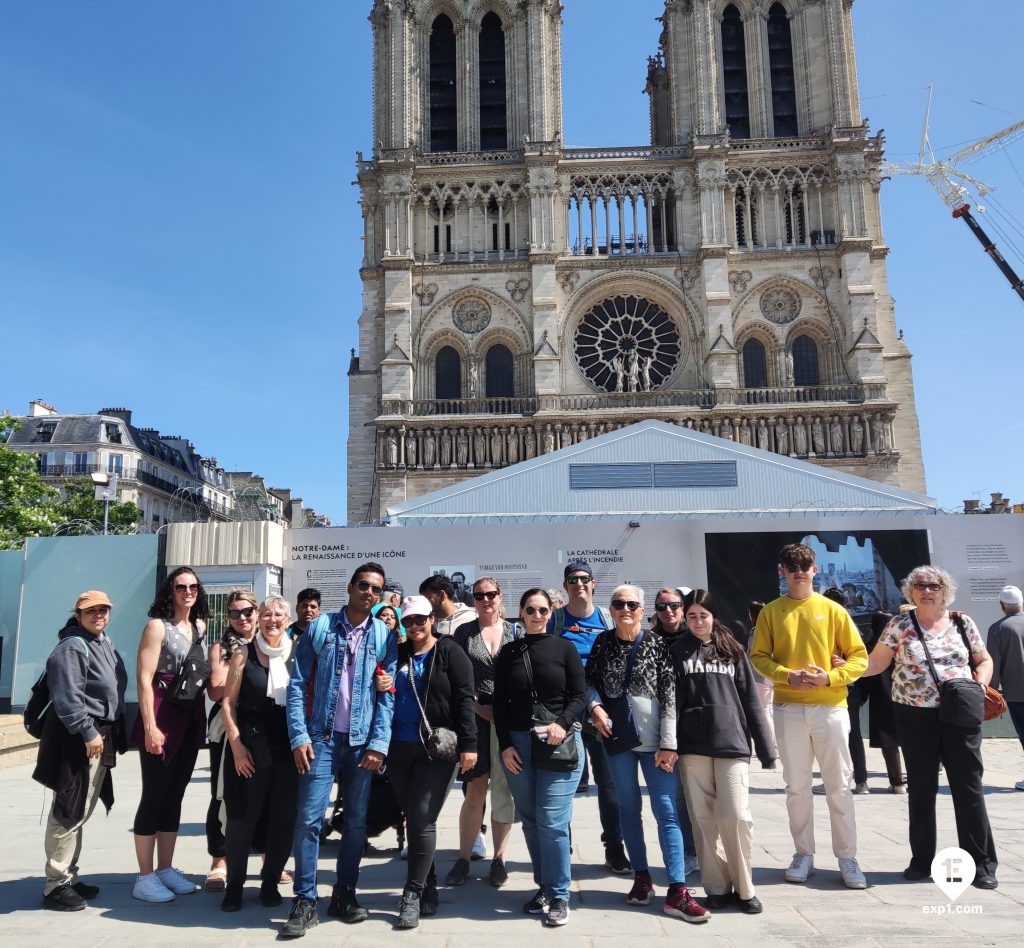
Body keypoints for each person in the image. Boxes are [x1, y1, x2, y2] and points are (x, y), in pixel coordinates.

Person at [862, 565, 998, 889]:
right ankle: (921, 860)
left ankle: (981, 864)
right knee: (921, 789)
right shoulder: (899, 625)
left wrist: (979, 685)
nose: (926, 591)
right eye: (920, 585)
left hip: (959, 716)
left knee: (968, 788)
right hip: (914, 716)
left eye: (933, 586)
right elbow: (877, 662)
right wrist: (844, 670)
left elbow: (984, 659)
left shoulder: (962, 622)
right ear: (911, 591)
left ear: (944, 590)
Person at [281, 562, 397, 938]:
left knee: (356, 822)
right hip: (321, 738)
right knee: (309, 819)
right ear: (349, 587)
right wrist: (299, 736)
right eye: (363, 585)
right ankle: (305, 900)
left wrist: (379, 743)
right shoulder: (320, 627)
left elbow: (387, 696)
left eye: (376, 589)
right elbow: (297, 684)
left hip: (362, 743)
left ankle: (344, 893)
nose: (369, 593)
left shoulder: (383, 635)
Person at [750, 543, 868, 889]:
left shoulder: (833, 611)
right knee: (797, 787)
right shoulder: (771, 612)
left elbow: (859, 657)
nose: (799, 571)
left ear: (815, 569)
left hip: (830, 707)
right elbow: (758, 657)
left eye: (805, 565)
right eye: (792, 566)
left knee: (839, 786)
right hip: (788, 707)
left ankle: (847, 857)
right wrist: (788, 676)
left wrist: (830, 677)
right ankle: (803, 853)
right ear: (782, 571)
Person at [586, 586, 704, 923]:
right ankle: (641, 877)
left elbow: (669, 694)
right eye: (619, 604)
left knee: (666, 812)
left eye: (632, 604)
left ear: (641, 610)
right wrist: (595, 707)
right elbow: (588, 682)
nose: (625, 609)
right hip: (618, 740)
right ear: (611, 610)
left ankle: (677, 888)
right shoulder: (602, 643)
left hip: (655, 744)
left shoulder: (656, 643)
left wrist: (669, 743)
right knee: (628, 808)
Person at [376, 595, 477, 929]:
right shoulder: (397, 653)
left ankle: (412, 893)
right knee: (415, 820)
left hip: (437, 749)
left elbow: (465, 699)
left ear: (432, 619)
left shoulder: (449, 651)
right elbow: (380, 687)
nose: (415, 626)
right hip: (399, 748)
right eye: (408, 621)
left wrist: (470, 745)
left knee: (421, 817)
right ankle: (428, 885)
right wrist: (380, 683)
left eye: (420, 619)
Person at [674, 590, 776, 916]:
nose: (697, 621)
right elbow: (671, 703)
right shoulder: (676, 651)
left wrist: (766, 749)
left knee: (736, 816)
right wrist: (670, 745)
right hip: (692, 748)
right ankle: (716, 888)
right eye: (692, 616)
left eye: (703, 615)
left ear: (713, 616)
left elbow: (750, 701)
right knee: (702, 819)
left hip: (732, 744)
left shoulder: (733, 650)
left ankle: (745, 889)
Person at [494, 589, 585, 927]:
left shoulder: (564, 648)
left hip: (557, 741)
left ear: (551, 613)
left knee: (552, 820)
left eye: (542, 610)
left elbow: (579, 696)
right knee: (531, 819)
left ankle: (560, 894)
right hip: (518, 744)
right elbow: (500, 704)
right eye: (530, 610)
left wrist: (562, 724)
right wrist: (505, 745)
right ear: (520, 612)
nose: (536, 615)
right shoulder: (509, 652)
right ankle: (545, 886)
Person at [34, 590, 127, 912]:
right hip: (78, 739)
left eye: (103, 609)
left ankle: (69, 876)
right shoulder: (72, 647)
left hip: (98, 735)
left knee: (81, 808)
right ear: (78, 615)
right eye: (91, 611)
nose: (98, 615)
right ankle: (55, 885)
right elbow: (67, 696)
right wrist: (88, 732)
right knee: (68, 808)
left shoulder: (101, 641)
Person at [131, 567, 209, 903]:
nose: (188, 592)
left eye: (193, 587)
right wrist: (150, 726)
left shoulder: (200, 627)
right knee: (154, 794)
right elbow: (143, 679)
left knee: (175, 794)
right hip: (161, 715)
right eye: (181, 586)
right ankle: (144, 876)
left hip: (189, 716)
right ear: (170, 590)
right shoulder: (156, 627)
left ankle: (165, 868)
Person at [548, 559, 628, 874]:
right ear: (565, 585)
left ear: (593, 583)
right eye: (572, 579)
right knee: (564, 781)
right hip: (565, 709)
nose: (579, 584)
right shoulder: (555, 620)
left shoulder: (607, 618)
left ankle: (614, 847)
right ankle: (562, 847)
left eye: (584, 579)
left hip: (602, 708)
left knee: (609, 783)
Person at [220, 597, 299, 911]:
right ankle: (234, 886)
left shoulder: (299, 653)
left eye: (279, 615)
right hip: (250, 747)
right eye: (266, 614)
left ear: (288, 620)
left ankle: (270, 883)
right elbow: (228, 704)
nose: (272, 619)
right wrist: (236, 746)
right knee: (242, 819)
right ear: (258, 619)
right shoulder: (244, 653)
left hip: (288, 748)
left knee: (283, 818)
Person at [447, 577, 518, 888]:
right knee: (475, 788)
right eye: (479, 595)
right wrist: (476, 706)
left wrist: (505, 710)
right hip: (475, 717)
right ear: (473, 599)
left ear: (500, 596)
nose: (486, 600)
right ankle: (464, 858)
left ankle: (499, 859)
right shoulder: (464, 633)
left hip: (507, 719)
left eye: (491, 594)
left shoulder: (515, 631)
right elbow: (456, 678)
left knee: (503, 789)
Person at [204, 589, 259, 892]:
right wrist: (249, 678)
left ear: (256, 611)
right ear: (228, 617)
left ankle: (268, 855)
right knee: (222, 791)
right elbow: (215, 689)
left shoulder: (269, 641)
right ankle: (220, 859)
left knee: (267, 791)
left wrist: (238, 680)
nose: (242, 618)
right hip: (227, 727)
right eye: (236, 613)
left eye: (247, 611)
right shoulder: (221, 647)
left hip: (263, 722)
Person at [648, 587, 698, 874]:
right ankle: (690, 851)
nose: (668, 611)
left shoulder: (698, 637)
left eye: (674, 605)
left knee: (704, 794)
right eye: (662, 606)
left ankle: (710, 849)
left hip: (697, 723)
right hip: (667, 728)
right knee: (677, 795)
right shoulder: (650, 641)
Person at [816, 587, 869, 795]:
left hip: (838, 687)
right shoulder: (849, 623)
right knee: (852, 735)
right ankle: (860, 781)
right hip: (849, 687)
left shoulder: (833, 623)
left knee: (833, 737)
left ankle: (837, 782)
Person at [861, 611, 906, 792]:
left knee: (889, 743)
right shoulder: (902, 645)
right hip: (906, 698)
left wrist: (861, 698)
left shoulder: (871, 648)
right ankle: (913, 778)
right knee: (911, 740)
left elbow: (866, 677)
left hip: (883, 699)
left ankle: (897, 782)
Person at [987, 585, 1024, 790]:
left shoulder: (998, 629)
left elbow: (994, 664)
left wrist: (991, 691)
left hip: (1017, 692)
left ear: (1002, 606)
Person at [420, 574, 476, 638]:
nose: (424, 602)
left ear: (442, 595)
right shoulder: (423, 621)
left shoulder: (472, 618)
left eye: (428, 598)